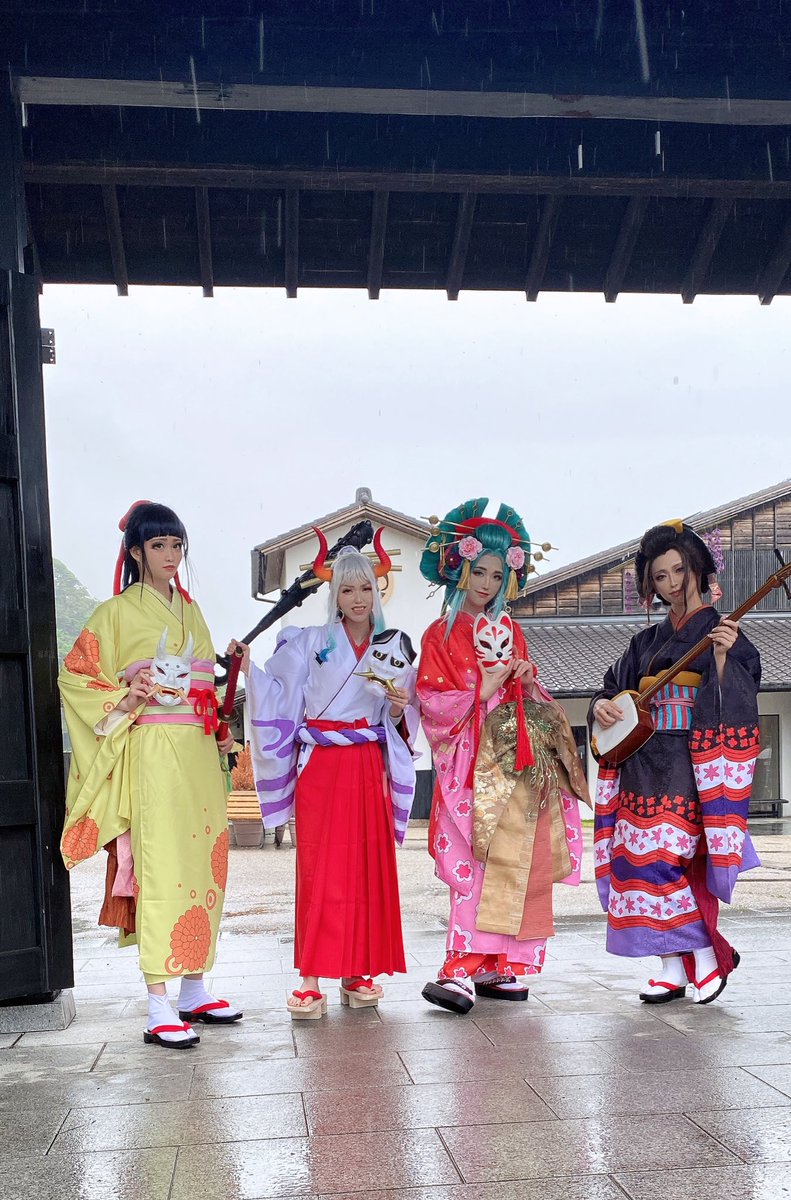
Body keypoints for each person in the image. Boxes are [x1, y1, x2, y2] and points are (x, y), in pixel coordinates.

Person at [59, 501, 242, 1049]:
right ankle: (158, 1000)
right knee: (160, 869)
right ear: (136, 552)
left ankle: (194, 987)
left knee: (204, 865)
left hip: (198, 755)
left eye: (176, 545)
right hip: (154, 754)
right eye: (158, 545)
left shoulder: (193, 612)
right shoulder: (115, 613)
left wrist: (224, 710)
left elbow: (204, 688)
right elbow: (75, 677)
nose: (170, 555)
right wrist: (125, 695)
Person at [235, 529, 418, 1019]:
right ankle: (311, 975)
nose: (358, 598)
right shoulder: (309, 642)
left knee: (364, 867)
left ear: (378, 591)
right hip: (321, 764)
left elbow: (402, 719)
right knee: (319, 869)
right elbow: (278, 694)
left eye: (366, 588)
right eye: (347, 589)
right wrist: (249, 668)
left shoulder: (394, 647)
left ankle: (357, 969)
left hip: (367, 762)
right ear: (334, 594)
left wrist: (398, 707)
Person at [417, 498, 587, 1014]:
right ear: (460, 570)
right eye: (480, 572)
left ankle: (498, 964)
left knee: (517, 859)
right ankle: (459, 966)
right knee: (474, 860)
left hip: (516, 756)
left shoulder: (512, 631)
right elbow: (432, 702)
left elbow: (530, 700)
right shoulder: (439, 635)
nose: (487, 584)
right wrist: (482, 688)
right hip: (470, 760)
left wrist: (527, 685)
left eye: (497, 575)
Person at [590, 520, 761, 1004]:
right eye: (660, 576)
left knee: (662, 862)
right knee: (634, 867)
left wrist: (723, 659)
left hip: (688, 764)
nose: (671, 584)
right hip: (641, 765)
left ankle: (705, 953)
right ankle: (671, 968)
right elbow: (611, 690)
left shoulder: (723, 631)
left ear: (698, 569)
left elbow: (740, 693)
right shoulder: (645, 642)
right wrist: (601, 706)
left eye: (679, 571)